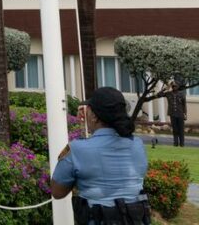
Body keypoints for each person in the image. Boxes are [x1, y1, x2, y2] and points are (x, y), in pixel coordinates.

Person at [52, 87, 149, 224]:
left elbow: (57, 192)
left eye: (89, 109)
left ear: (94, 116)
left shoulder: (77, 149)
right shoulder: (137, 145)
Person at [167, 80, 187, 147]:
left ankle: (182, 144)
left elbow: (184, 105)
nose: (174, 87)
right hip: (172, 114)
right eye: (173, 86)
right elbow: (159, 94)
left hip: (180, 114)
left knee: (181, 129)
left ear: (178, 87)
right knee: (175, 129)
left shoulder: (181, 94)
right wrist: (167, 87)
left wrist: (185, 114)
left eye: (175, 86)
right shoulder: (168, 94)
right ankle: (175, 143)